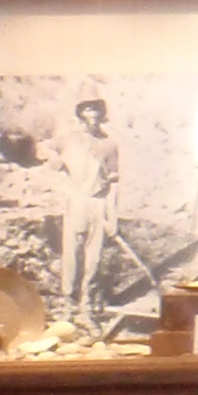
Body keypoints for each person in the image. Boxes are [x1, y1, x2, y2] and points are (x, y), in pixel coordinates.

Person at [48, 94, 127, 323]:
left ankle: (86, 306)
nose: (92, 114)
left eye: (96, 109)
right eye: (87, 109)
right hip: (77, 200)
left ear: (102, 114)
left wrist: (112, 217)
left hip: (98, 202)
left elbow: (114, 182)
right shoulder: (69, 139)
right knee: (71, 254)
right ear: (81, 113)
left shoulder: (109, 144)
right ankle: (66, 304)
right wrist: (57, 163)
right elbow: (45, 150)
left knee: (93, 258)